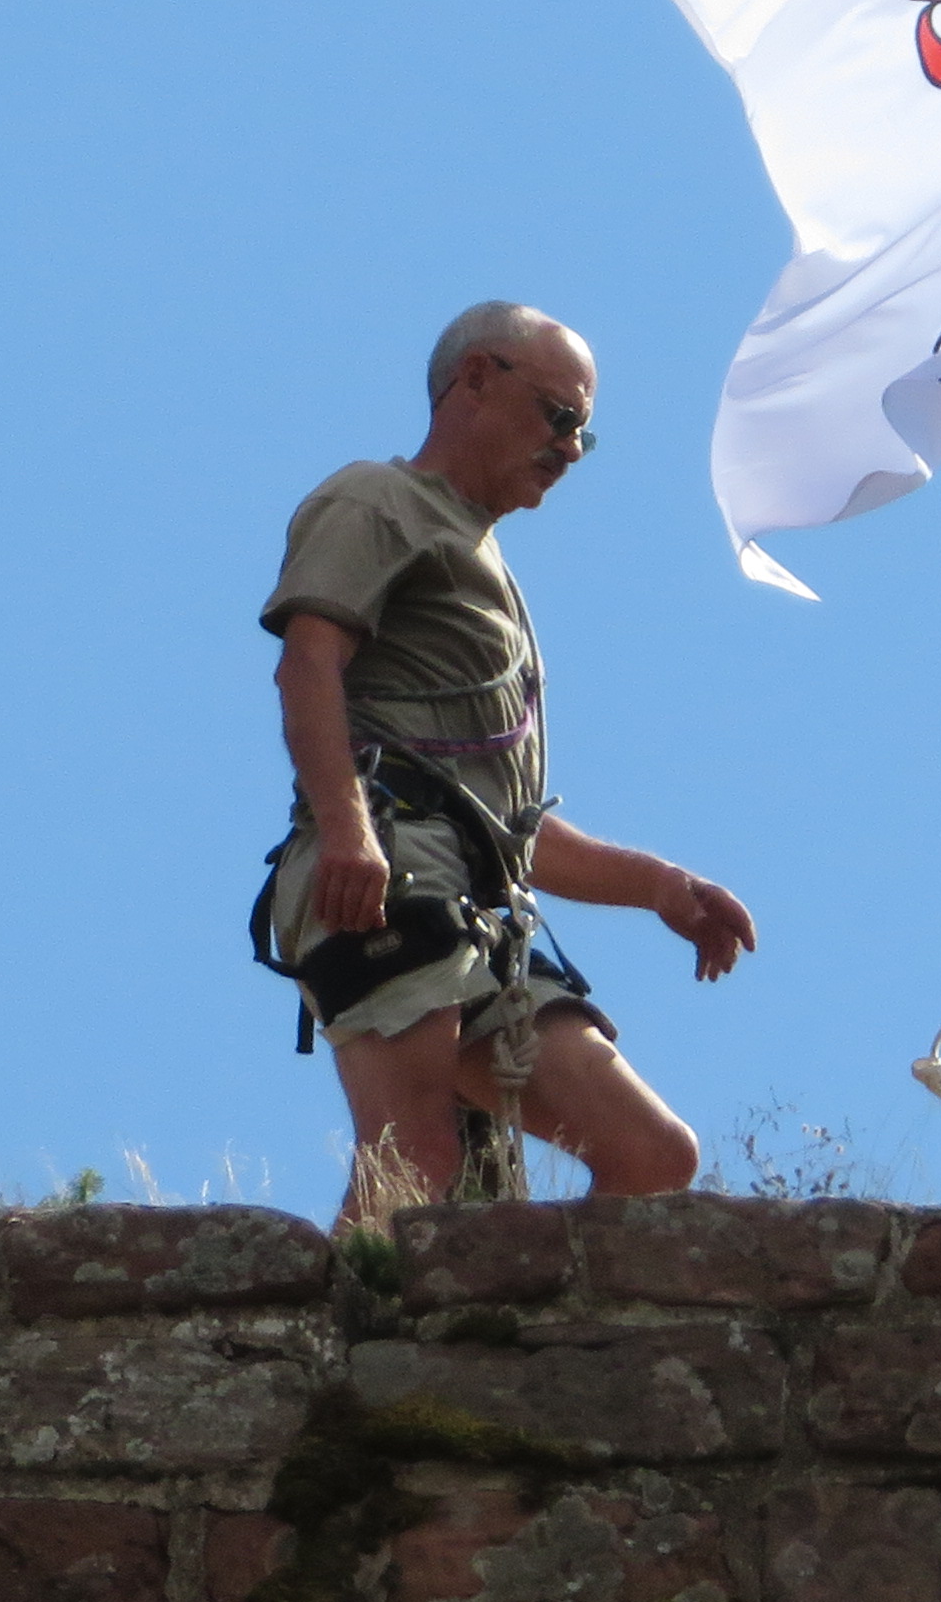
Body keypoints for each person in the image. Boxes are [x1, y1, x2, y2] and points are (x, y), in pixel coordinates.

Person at [252, 302, 757, 1213]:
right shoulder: (378, 499)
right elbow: (307, 665)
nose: (570, 450)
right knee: (417, 1157)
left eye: (583, 435)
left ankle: (542, 1311)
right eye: (560, 417)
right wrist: (349, 832)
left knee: (652, 1155)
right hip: (394, 864)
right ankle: (348, 1307)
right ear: (477, 378)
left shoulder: (476, 556)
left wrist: (659, 886)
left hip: (474, 898)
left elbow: (504, 829)